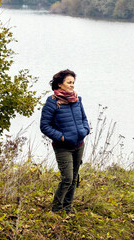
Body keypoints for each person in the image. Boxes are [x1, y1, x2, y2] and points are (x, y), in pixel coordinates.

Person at [40, 69, 90, 213]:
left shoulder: (77, 99)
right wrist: (61, 137)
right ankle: (55, 210)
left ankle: (67, 209)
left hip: (79, 144)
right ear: (60, 84)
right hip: (63, 147)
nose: (72, 85)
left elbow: (84, 119)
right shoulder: (52, 102)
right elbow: (44, 126)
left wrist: (85, 130)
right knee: (67, 178)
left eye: (73, 82)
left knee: (74, 178)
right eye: (69, 82)